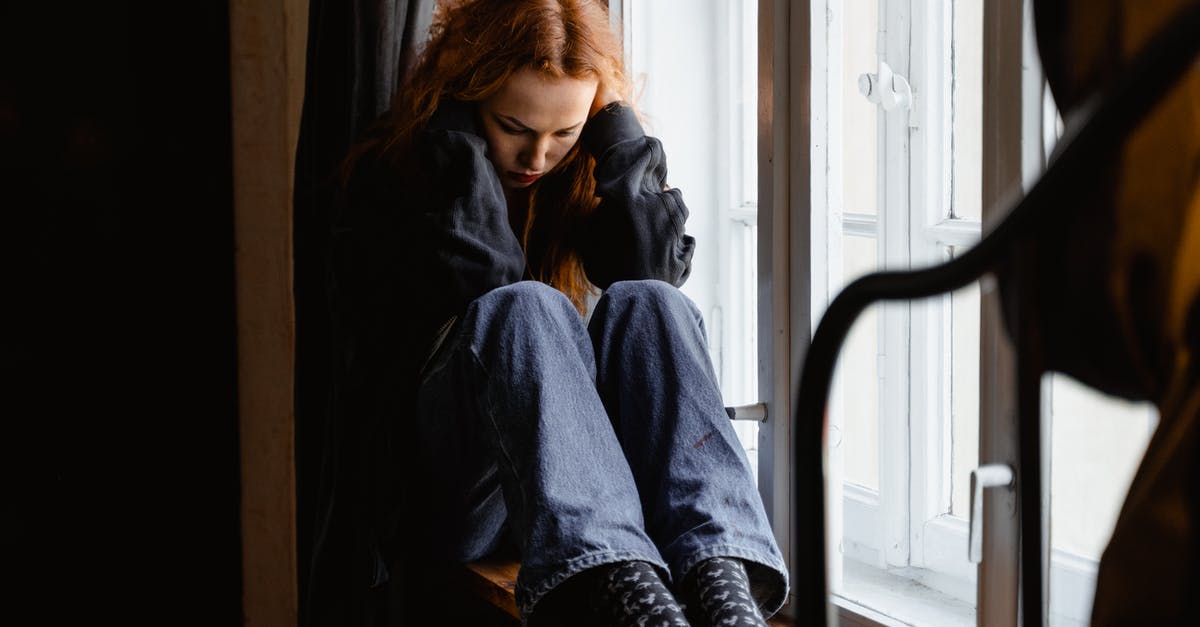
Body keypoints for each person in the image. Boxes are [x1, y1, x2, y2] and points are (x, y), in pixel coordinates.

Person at [336, 0, 787, 624]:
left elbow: (652, 273)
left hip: (577, 500)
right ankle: (630, 602)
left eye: (565, 132)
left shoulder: (579, 173)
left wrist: (618, 131)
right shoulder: (400, 178)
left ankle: (722, 586)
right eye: (513, 126)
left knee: (652, 302)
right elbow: (487, 290)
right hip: (460, 498)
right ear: (465, 102)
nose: (537, 157)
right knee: (523, 306)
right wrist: (463, 151)